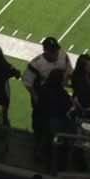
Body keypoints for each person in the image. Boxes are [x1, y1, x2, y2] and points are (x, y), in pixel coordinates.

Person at [23, 36, 74, 169]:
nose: (56, 53)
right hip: (42, 99)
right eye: (52, 51)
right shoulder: (37, 63)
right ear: (45, 51)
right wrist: (35, 97)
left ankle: (49, 150)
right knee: (40, 125)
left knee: (54, 126)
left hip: (57, 97)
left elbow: (69, 72)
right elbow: (27, 82)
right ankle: (38, 149)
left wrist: (63, 83)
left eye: (56, 50)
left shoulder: (63, 56)